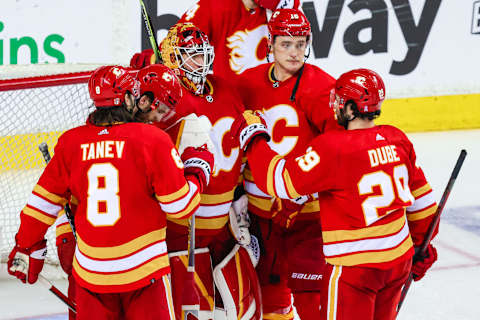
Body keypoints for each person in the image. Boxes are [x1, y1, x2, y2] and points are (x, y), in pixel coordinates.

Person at [7, 65, 215, 320]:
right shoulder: (152, 140)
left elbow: (40, 205)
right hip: (144, 276)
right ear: (127, 99)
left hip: (91, 279)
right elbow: (180, 206)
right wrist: (198, 169)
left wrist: (27, 247)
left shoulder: (71, 142)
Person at [231, 68, 439, 320]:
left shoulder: (332, 148)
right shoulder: (397, 139)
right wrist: (421, 247)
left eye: (340, 102)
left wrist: (255, 139)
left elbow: (280, 182)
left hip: (355, 271)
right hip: (398, 263)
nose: (335, 107)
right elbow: (425, 207)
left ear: (351, 109)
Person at [135, 23, 262, 320]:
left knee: (245, 308)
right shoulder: (165, 101)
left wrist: (240, 198)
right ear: (172, 60)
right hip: (182, 227)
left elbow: (237, 148)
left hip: (226, 223)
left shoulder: (227, 89)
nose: (201, 62)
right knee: (192, 312)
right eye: (191, 56)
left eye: (203, 55)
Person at [236, 8, 339, 319]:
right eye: (286, 44)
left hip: (306, 220)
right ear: (271, 43)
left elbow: (337, 151)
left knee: (312, 302)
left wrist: (301, 193)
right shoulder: (248, 83)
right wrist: (236, 194)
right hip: (259, 218)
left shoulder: (322, 88)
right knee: (269, 302)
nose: (295, 53)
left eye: (301, 43)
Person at [130, 0, 299, 81]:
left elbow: (294, 21)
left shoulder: (281, 8)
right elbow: (178, 44)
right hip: (236, 105)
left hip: (277, 96)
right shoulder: (217, 6)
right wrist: (152, 60)